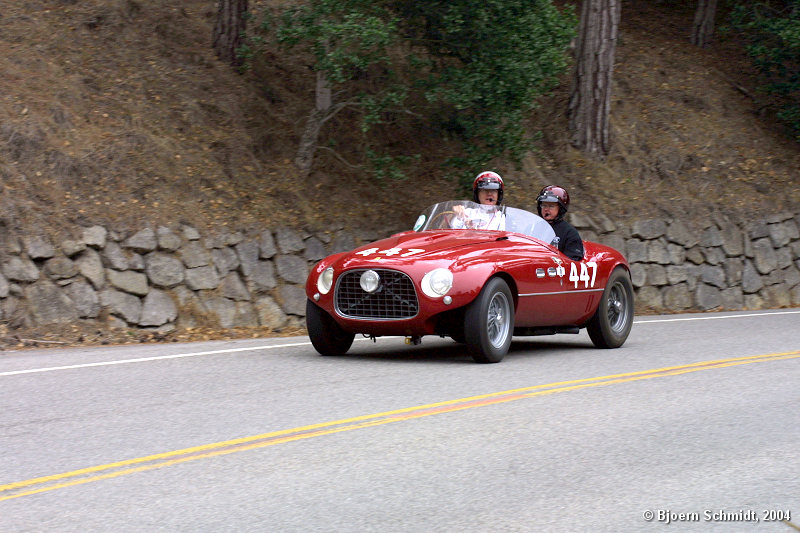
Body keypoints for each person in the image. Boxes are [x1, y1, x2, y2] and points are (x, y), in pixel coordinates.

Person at [537, 185, 584, 261]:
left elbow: (573, 261)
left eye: (551, 206)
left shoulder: (569, 232)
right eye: (544, 205)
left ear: (561, 208)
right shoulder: (534, 227)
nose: (546, 209)